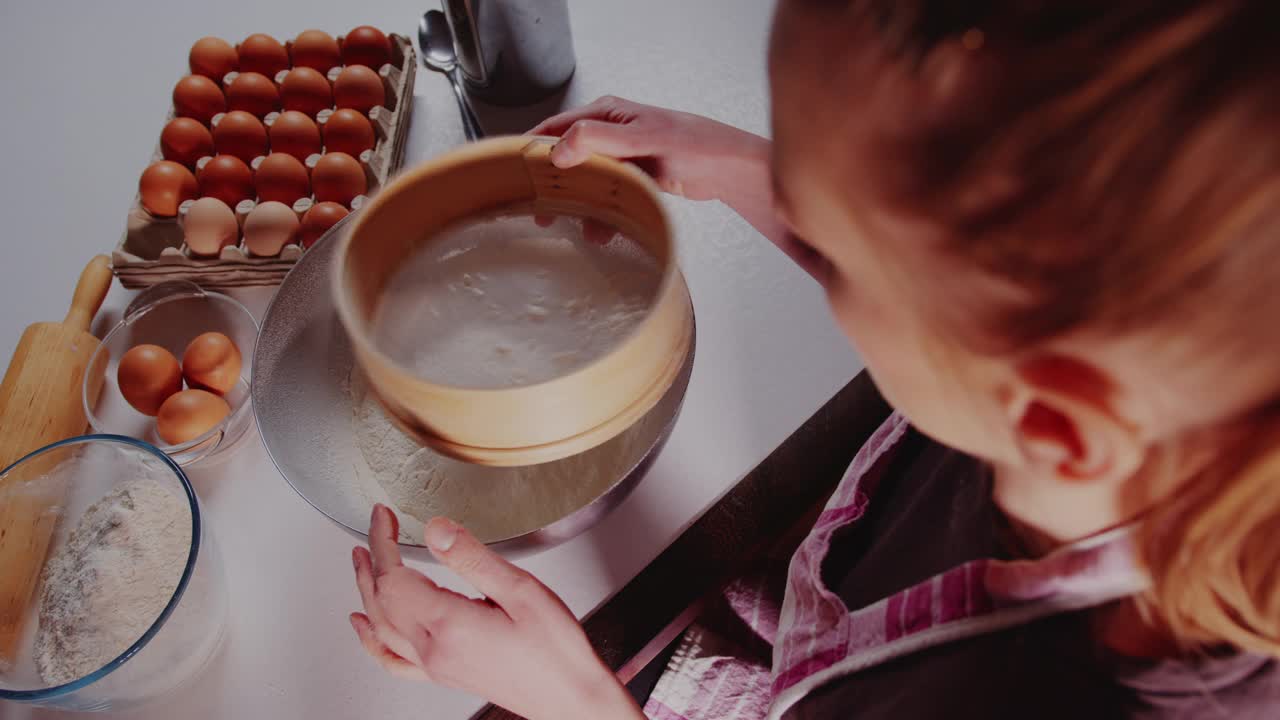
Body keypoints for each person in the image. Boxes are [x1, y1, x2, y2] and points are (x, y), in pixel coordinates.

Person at [347, 0, 1280, 717]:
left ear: (1050, 422)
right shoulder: (1160, 406)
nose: (807, 240)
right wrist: (751, 169)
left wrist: (574, 698)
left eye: (831, 253)